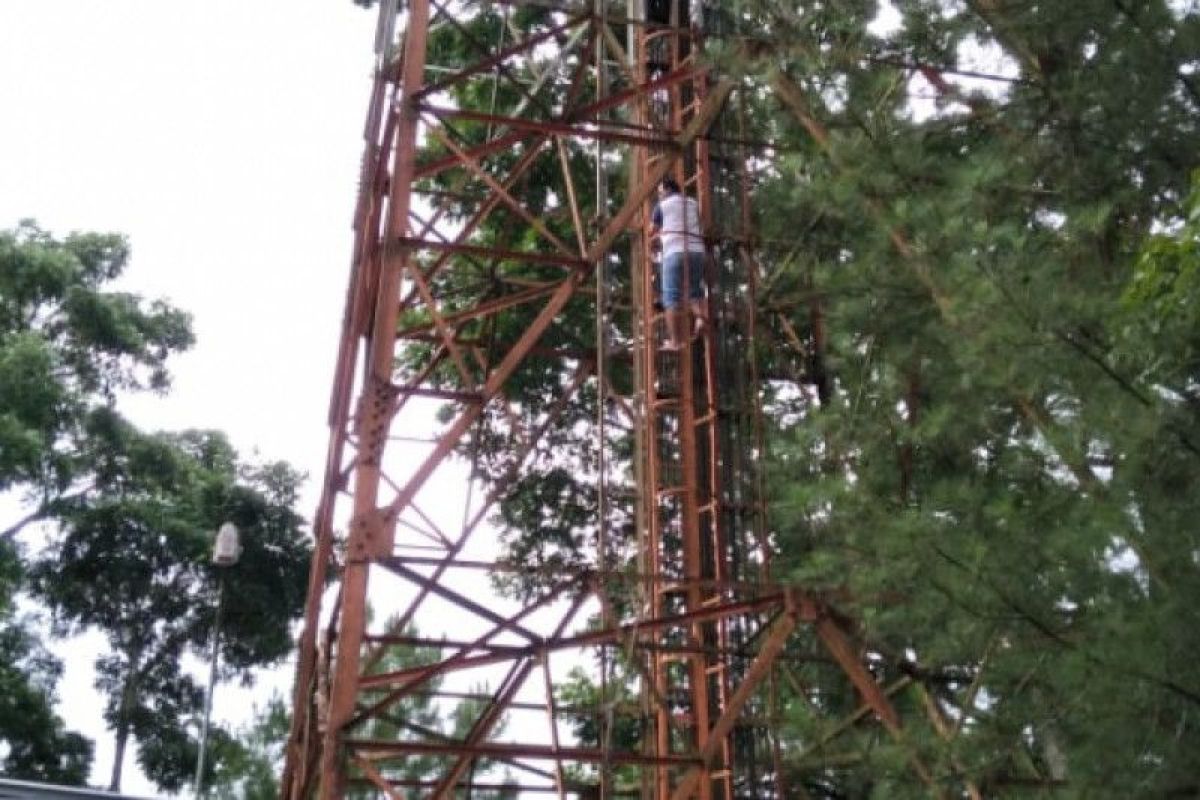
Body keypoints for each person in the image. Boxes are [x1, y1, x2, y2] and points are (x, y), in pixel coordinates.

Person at [650, 177, 706, 351]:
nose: (659, 196)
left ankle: (675, 341)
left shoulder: (662, 206)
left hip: (674, 252)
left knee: (671, 298)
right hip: (697, 251)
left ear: (667, 190)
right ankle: (699, 320)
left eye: (660, 192)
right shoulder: (692, 203)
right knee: (695, 291)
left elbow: (651, 230)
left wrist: (654, 241)